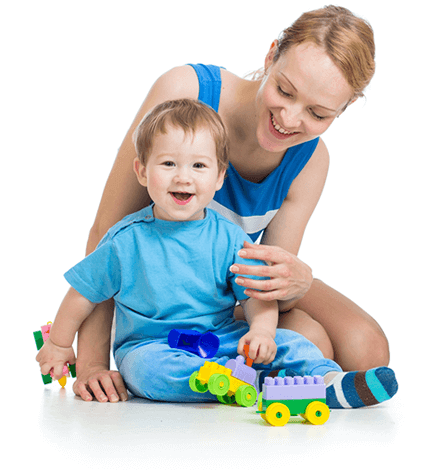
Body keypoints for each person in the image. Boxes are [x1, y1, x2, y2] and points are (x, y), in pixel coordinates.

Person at [73, 5, 392, 403]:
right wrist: (92, 363)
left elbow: (263, 281)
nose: (289, 119)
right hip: (162, 301)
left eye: (317, 113)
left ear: (344, 109)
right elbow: (107, 236)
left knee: (367, 351)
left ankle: (302, 384)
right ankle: (255, 379)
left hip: (229, 290)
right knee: (313, 338)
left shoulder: (310, 161)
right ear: (271, 55)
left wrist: (297, 284)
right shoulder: (185, 92)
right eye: (285, 91)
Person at [36, 99, 397, 408]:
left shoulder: (229, 238)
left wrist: (261, 332)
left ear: (220, 177)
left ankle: (329, 381)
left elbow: (254, 294)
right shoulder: (125, 241)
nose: (183, 177)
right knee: (144, 371)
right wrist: (59, 344)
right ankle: (250, 384)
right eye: (168, 164)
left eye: (199, 166)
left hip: (223, 340)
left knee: (294, 342)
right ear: (142, 171)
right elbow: (82, 295)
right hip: (154, 346)